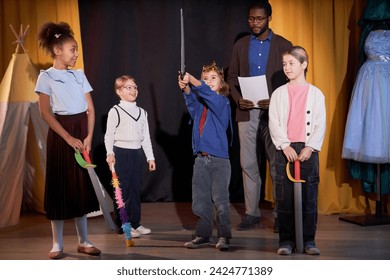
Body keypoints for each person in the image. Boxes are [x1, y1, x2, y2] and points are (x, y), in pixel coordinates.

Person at [35, 22, 101, 259]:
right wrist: (68, 137)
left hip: (81, 132)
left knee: (79, 186)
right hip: (62, 134)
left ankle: (84, 241)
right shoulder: (46, 77)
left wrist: (89, 137)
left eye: (76, 49)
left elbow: (90, 110)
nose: (76, 54)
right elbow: (45, 113)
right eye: (72, 49)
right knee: (59, 185)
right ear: (57, 50)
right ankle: (57, 244)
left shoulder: (79, 75)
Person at [227, 0, 292, 231]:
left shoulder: (284, 45)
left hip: (273, 113)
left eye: (259, 18)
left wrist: (275, 99)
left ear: (269, 18)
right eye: (251, 18)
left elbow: (291, 80)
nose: (255, 23)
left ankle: (280, 215)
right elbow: (231, 78)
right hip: (246, 112)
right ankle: (252, 213)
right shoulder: (241, 45)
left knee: (276, 164)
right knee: (248, 163)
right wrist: (237, 99)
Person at [268, 46, 326, 255]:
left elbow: (320, 124)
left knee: (309, 196)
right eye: (284, 64)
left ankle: (309, 240)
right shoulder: (278, 94)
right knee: (284, 196)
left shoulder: (316, 94)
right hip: (286, 149)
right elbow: (274, 121)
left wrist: (310, 147)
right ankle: (286, 241)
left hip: (307, 149)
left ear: (304, 64)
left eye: (291, 63)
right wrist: (284, 145)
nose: (287, 68)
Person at [178, 61, 232, 250]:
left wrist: (192, 80)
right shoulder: (202, 106)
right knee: (200, 200)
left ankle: (224, 236)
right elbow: (192, 104)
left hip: (219, 160)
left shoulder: (222, 102)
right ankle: (203, 235)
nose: (208, 82)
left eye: (213, 78)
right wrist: (186, 89)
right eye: (205, 78)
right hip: (201, 159)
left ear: (221, 83)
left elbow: (207, 94)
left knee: (221, 201)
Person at [104, 75, 156, 238]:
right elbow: (109, 135)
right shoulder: (115, 111)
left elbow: (146, 137)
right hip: (121, 153)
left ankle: (135, 223)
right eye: (128, 87)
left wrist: (150, 157)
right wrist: (110, 153)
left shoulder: (142, 113)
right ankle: (123, 225)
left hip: (136, 154)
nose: (133, 90)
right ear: (119, 91)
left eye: (135, 87)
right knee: (122, 190)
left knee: (134, 190)